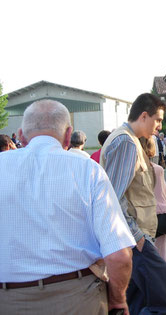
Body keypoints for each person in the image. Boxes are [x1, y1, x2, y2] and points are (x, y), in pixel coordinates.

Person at [0, 100, 136, 314]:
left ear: (21, 136)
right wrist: (117, 300)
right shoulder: (87, 170)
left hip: (7, 300)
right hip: (77, 297)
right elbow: (119, 254)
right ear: (68, 134)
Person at [100, 93, 166, 314]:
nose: (160, 126)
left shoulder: (129, 139)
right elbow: (113, 197)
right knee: (164, 302)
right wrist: (138, 238)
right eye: (158, 120)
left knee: (136, 302)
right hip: (135, 239)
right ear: (144, 116)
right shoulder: (125, 141)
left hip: (135, 237)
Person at [142, 137, 166, 262]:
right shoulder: (157, 169)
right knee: (159, 249)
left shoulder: (133, 170)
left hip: (141, 214)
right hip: (158, 213)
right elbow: (163, 194)